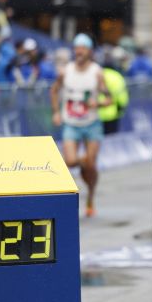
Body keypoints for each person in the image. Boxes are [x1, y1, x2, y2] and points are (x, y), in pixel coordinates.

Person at [50, 33, 111, 217]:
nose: (79, 51)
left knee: (90, 164)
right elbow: (53, 91)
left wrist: (98, 103)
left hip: (91, 123)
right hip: (71, 122)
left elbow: (108, 98)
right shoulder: (65, 71)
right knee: (70, 161)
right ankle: (83, 163)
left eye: (83, 48)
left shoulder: (96, 72)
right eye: (76, 48)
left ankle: (90, 196)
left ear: (90, 51)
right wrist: (56, 112)